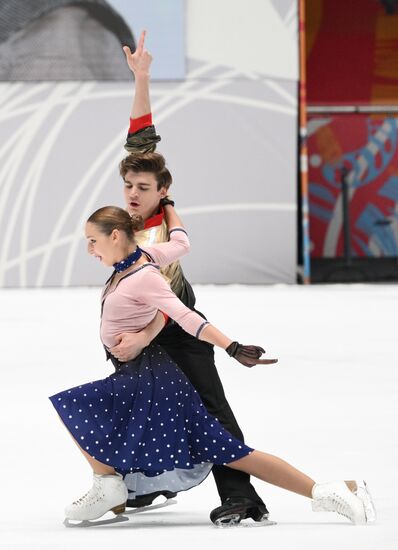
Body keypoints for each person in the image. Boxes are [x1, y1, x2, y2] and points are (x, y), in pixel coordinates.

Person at [49, 204, 375, 527]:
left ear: (115, 235)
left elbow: (187, 317)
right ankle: (336, 490)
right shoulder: (138, 258)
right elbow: (180, 244)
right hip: (140, 375)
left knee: (77, 405)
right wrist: (170, 209)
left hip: (152, 380)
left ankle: (108, 486)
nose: (90, 249)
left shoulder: (144, 276)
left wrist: (232, 347)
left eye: (92, 240)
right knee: (228, 451)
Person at [106, 29, 272, 527]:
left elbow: (165, 304)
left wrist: (140, 337)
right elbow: (142, 133)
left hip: (175, 322)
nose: (133, 193)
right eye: (128, 186)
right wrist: (142, 77)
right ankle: (145, 484)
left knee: (209, 408)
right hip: (140, 320)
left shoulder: (158, 238)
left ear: (163, 190)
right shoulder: (132, 217)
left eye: (143, 188)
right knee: (135, 402)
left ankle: (243, 495)